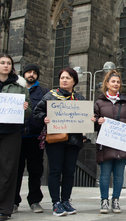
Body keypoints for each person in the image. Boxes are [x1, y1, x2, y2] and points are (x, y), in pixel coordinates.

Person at [34, 67, 86, 217]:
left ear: (74, 81)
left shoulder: (79, 99)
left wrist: (91, 119)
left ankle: (66, 201)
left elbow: (87, 117)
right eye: (62, 78)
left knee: (69, 172)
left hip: (74, 140)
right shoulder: (50, 96)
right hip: (55, 139)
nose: (64, 80)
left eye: (68, 78)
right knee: (55, 171)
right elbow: (37, 112)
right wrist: (44, 117)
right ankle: (56, 202)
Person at [91, 70, 126, 214]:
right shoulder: (99, 102)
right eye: (113, 81)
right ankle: (104, 200)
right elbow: (93, 121)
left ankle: (115, 200)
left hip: (122, 144)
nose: (116, 84)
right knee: (105, 174)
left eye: (118, 82)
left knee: (119, 174)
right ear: (107, 84)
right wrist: (98, 121)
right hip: (106, 143)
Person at [0, 54, 32, 221]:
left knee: (8, 170)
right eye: (2, 63)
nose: (5, 65)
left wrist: (25, 108)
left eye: (8, 63)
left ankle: (5, 208)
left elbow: (28, 113)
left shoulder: (20, 86)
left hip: (11, 132)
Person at [14, 64, 48, 214]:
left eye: (35, 72)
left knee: (35, 171)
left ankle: (34, 201)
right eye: (29, 72)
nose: (32, 74)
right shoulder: (16, 89)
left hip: (35, 137)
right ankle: (13, 201)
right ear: (24, 74)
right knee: (16, 171)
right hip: (17, 136)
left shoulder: (43, 91)